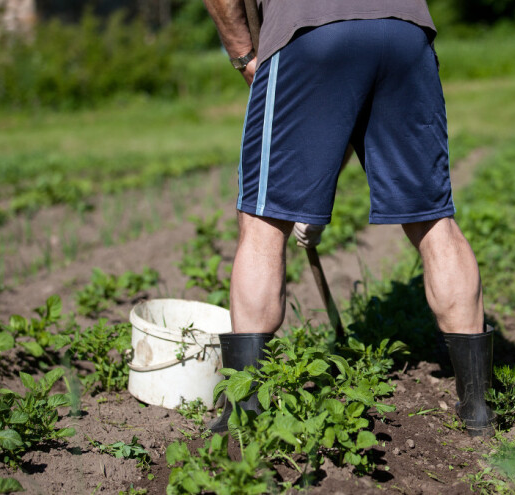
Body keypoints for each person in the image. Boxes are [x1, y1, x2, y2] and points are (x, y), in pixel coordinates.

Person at [202, 0, 495, 437]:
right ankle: (477, 407)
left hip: (308, 31)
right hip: (405, 33)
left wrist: (244, 55)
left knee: (263, 224)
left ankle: (245, 406)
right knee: (434, 221)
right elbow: (344, 112)